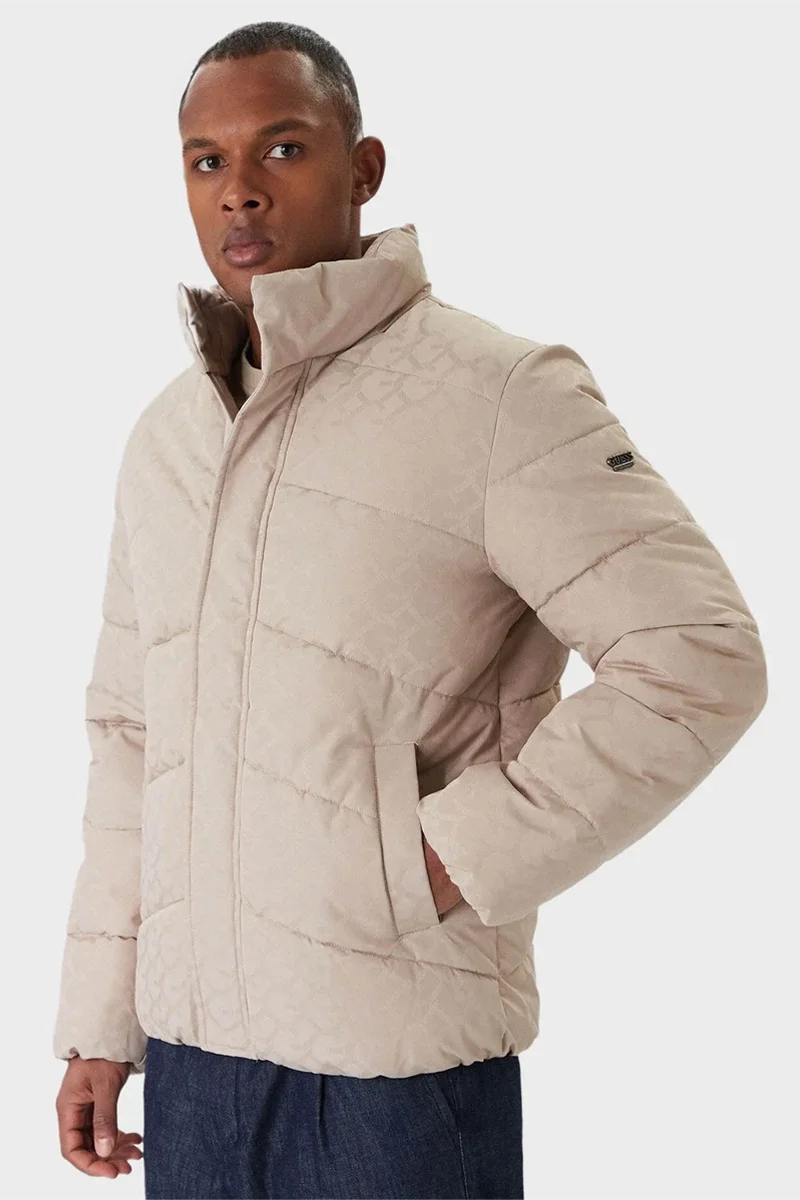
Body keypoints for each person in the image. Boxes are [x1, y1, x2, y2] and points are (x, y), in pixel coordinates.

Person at [52, 19, 768, 1199]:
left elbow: (697, 656)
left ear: (363, 167)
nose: (239, 191)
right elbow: (133, 737)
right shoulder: (167, 439)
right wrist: (100, 1022)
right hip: (191, 1067)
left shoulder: (495, 394)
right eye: (206, 160)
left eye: (282, 148)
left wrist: (441, 858)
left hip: (394, 1073)